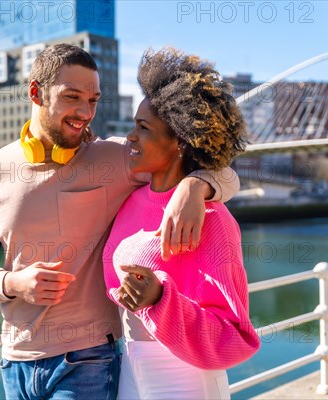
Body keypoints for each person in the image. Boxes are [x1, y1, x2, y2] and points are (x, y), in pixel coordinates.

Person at [0, 44, 240, 399]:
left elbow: (222, 170)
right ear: (35, 92)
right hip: (15, 362)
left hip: (88, 358)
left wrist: (196, 186)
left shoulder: (117, 158)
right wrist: (13, 282)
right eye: (72, 97)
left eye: (93, 100)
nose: (85, 112)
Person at [103, 47, 261, 399]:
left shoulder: (214, 219)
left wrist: (160, 298)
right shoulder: (131, 199)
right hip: (128, 372)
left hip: (185, 378)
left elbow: (237, 336)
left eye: (143, 128)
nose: (130, 136)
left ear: (179, 142)